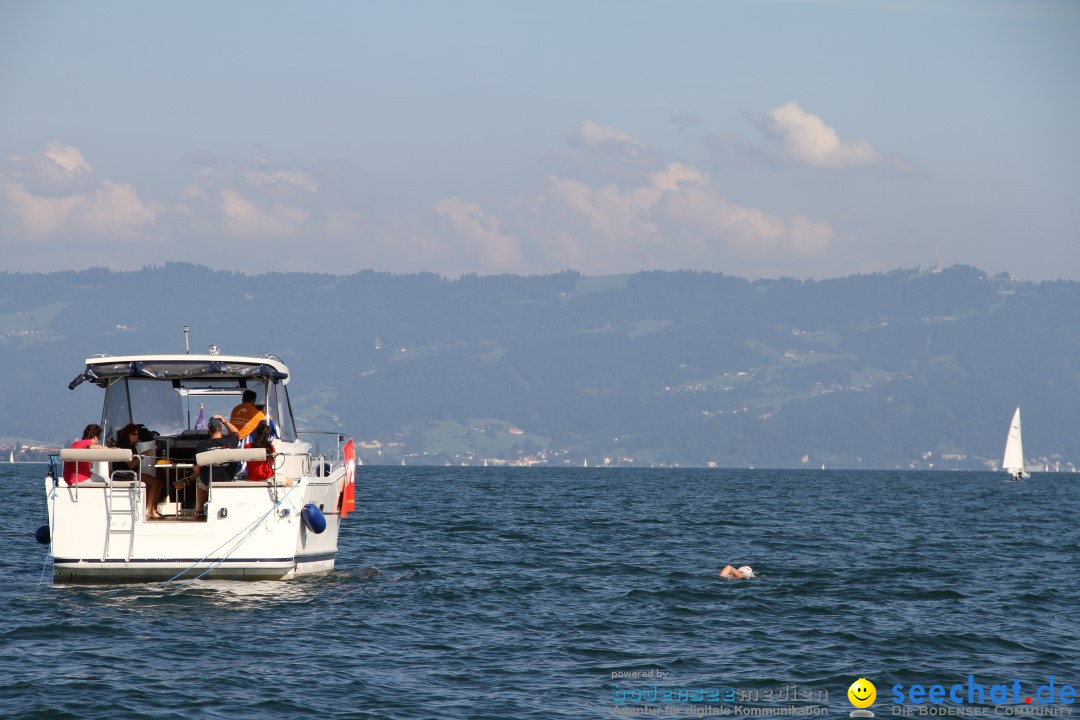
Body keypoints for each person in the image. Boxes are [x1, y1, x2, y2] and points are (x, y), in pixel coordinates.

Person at [189, 415, 240, 518]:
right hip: (227, 480)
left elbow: (196, 468)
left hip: (208, 482)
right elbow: (236, 432)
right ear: (221, 429)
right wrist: (225, 421)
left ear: (209, 430)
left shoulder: (202, 445)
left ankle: (199, 509)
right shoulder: (231, 442)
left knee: (199, 480)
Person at [113, 423, 165, 519]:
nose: (136, 436)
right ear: (127, 434)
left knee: (158, 482)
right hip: (125, 474)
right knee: (155, 482)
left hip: (130, 473)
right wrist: (141, 455)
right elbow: (131, 465)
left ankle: (153, 509)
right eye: (134, 434)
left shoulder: (130, 446)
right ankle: (149, 511)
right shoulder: (124, 446)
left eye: (137, 434)